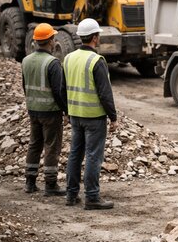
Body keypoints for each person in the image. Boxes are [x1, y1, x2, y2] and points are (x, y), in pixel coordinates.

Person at [64, 18, 118, 210]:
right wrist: (113, 117)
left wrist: (67, 111)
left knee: (75, 154)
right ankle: (92, 197)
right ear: (95, 37)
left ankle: (71, 195)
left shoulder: (68, 58)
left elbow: (63, 88)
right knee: (93, 156)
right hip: (94, 117)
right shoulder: (96, 60)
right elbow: (105, 93)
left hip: (75, 115)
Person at [21, 23, 68, 195]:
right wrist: (66, 110)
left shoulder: (26, 61)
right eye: (53, 38)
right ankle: (50, 184)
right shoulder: (52, 63)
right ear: (50, 41)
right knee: (51, 146)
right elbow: (58, 91)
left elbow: (25, 86)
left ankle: (30, 182)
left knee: (34, 144)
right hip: (50, 112)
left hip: (33, 110)